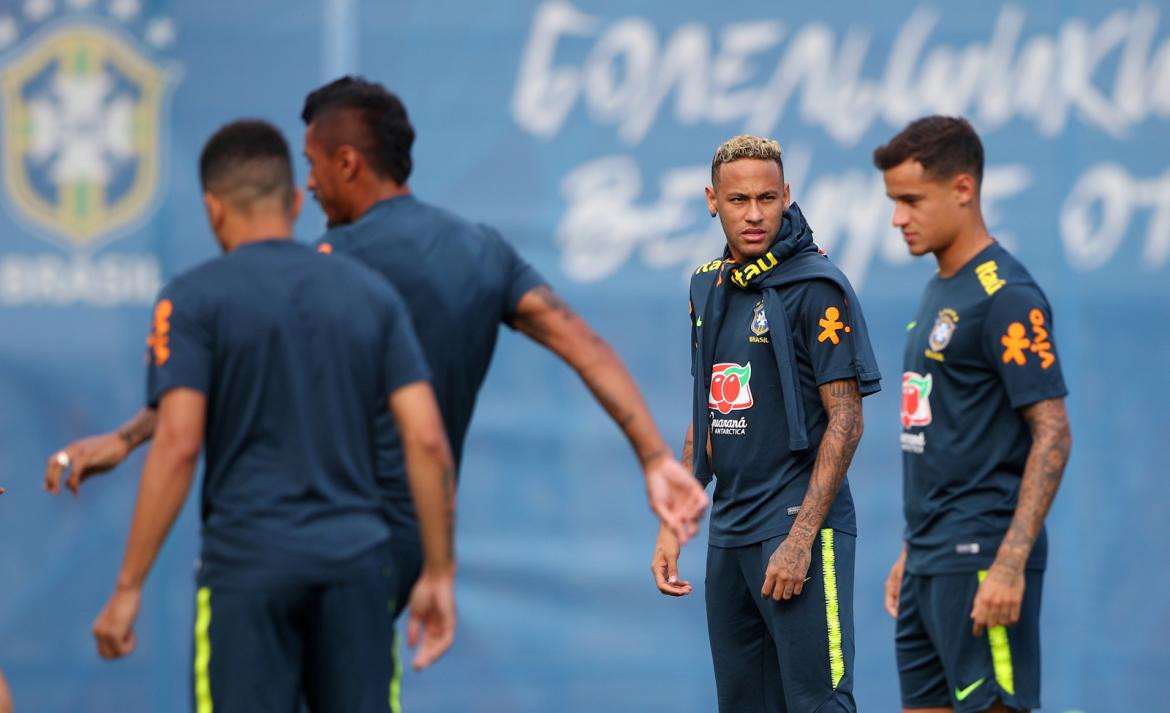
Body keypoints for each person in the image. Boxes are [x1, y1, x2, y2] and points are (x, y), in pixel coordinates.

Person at [45, 76, 707, 618]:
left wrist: (127, 439)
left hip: (316, 538)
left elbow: (223, 372)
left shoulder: (328, 267)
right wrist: (651, 455)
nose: (304, 186)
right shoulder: (480, 251)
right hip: (404, 546)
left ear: (348, 162)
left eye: (310, 164)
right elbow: (585, 344)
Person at [87, 120, 458, 712]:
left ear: (212, 208)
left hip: (248, 572)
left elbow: (180, 443)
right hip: (355, 570)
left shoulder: (192, 299)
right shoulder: (369, 294)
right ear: (292, 201)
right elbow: (427, 439)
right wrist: (438, 571)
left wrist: (128, 588)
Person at [651, 135, 881, 712]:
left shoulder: (818, 287)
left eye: (767, 198)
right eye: (738, 200)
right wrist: (675, 523)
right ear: (711, 200)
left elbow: (847, 421)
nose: (754, 214)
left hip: (799, 528)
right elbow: (706, 408)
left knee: (818, 704)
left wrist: (801, 540)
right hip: (731, 532)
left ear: (787, 196)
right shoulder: (706, 285)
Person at [874, 116, 1072, 713]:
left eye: (911, 200)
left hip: (982, 559)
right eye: (892, 202)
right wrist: (915, 550)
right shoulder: (942, 286)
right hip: (929, 559)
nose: (897, 218)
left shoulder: (1006, 295)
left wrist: (1010, 563)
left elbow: (1053, 433)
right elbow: (950, 433)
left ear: (963, 189)